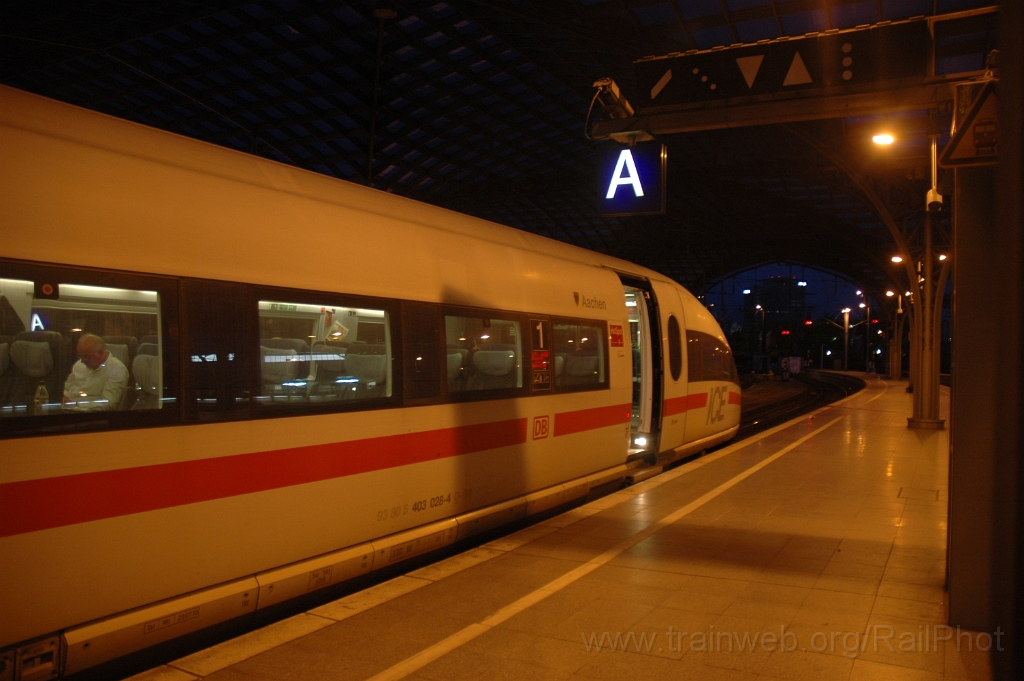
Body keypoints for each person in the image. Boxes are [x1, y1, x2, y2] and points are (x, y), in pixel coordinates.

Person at [63, 333, 129, 411]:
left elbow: (109, 403)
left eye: (86, 356)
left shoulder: (117, 370)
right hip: (67, 410)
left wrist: (77, 405)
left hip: (91, 416)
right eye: (81, 356)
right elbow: (67, 388)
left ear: (100, 352)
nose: (82, 361)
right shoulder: (78, 365)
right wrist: (65, 398)